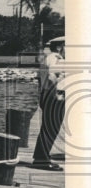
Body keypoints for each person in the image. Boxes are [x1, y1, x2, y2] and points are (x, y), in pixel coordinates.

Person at [31, 36, 65, 170]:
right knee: (50, 128)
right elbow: (51, 76)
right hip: (55, 95)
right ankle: (42, 160)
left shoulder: (52, 57)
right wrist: (57, 93)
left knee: (50, 128)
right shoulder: (56, 58)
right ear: (59, 47)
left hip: (51, 95)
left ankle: (41, 157)